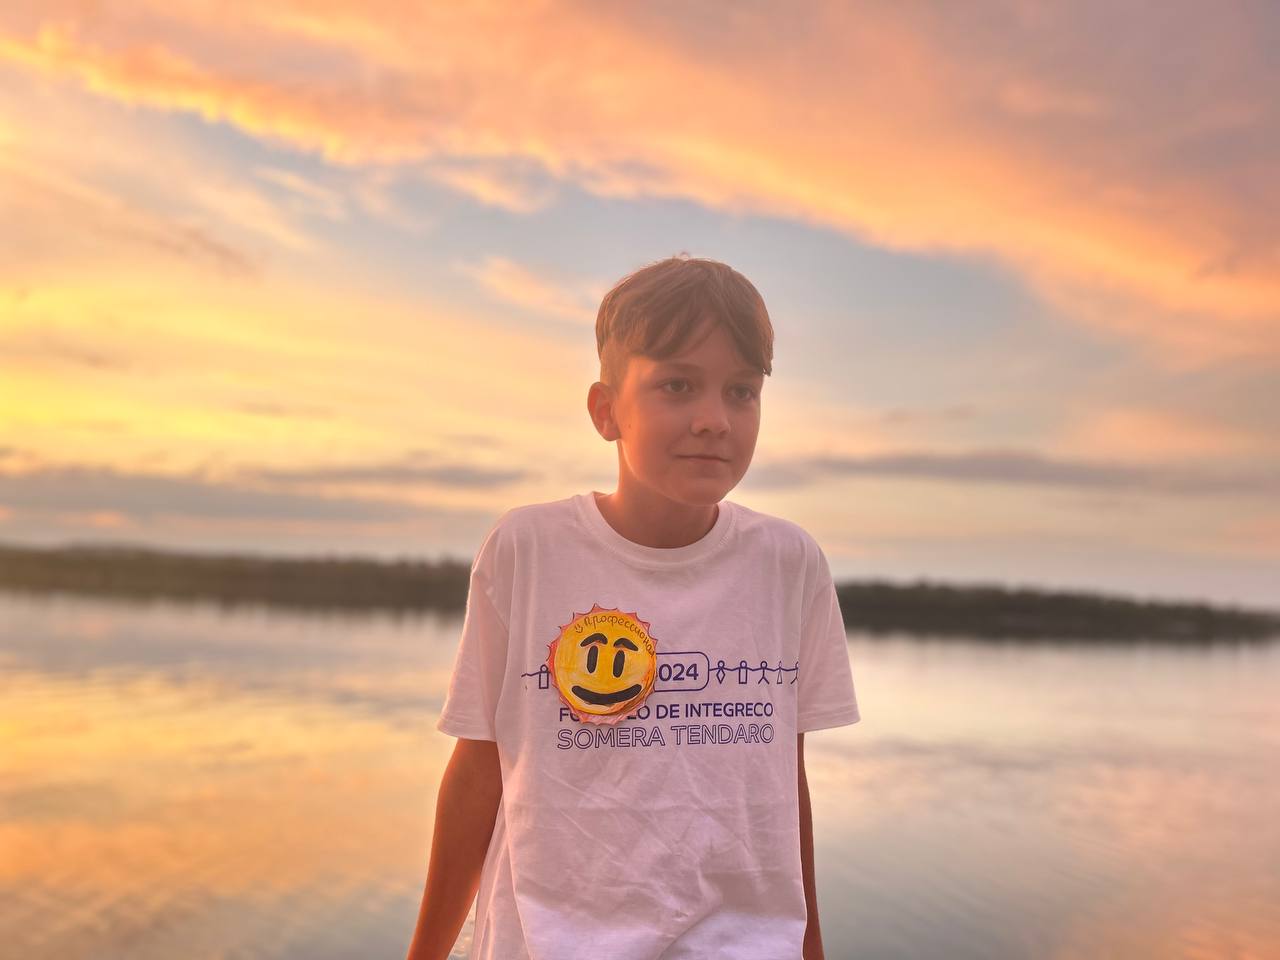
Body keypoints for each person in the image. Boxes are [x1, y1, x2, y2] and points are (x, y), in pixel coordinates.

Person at [405, 255, 861, 960]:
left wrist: (810, 948)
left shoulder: (788, 563)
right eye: (678, 385)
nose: (713, 420)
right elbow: (478, 771)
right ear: (606, 410)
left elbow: (781, 786)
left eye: (741, 391)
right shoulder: (527, 550)